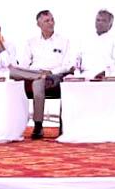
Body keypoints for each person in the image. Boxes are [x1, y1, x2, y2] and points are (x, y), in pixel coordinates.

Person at [10, 10, 73, 139]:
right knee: (11, 71)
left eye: (52, 20)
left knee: (38, 83)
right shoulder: (31, 42)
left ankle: (38, 125)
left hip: (53, 75)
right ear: (39, 24)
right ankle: (38, 76)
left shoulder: (64, 41)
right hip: (35, 72)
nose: (51, 23)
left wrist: (50, 72)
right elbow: (24, 64)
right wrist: (34, 73)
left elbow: (68, 64)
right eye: (47, 21)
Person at [80, 9, 115, 80]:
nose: (100, 23)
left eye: (104, 21)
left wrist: (109, 77)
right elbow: (78, 61)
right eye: (98, 20)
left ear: (110, 25)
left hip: (107, 79)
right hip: (85, 78)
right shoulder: (86, 40)